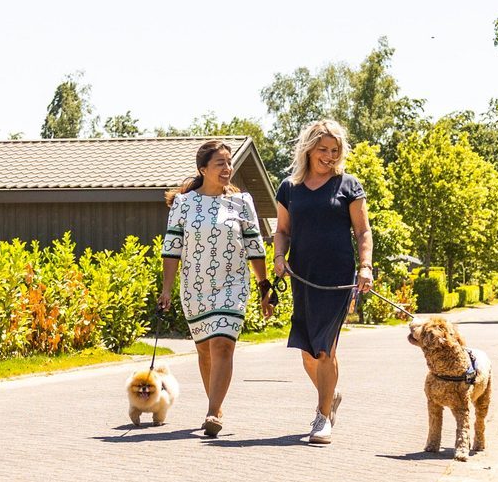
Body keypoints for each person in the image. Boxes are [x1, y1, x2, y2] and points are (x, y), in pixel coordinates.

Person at [159, 140, 273, 438]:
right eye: (220, 163)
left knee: (223, 343)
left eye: (229, 162)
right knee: (205, 350)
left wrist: (264, 286)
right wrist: (166, 289)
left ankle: (212, 411)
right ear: (203, 169)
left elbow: (255, 246)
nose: (227, 168)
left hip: (233, 283)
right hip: (195, 286)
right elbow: (172, 248)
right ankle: (216, 404)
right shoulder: (184, 204)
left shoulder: (241, 201)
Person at [273, 118, 373, 445]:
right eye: (323, 149)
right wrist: (278, 257)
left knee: (324, 350)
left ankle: (322, 416)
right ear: (309, 149)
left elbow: (363, 231)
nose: (329, 156)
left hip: (338, 279)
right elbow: (283, 230)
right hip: (303, 277)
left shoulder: (348, 185)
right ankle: (330, 395)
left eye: (335, 150)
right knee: (306, 352)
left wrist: (366, 267)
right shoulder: (290, 187)